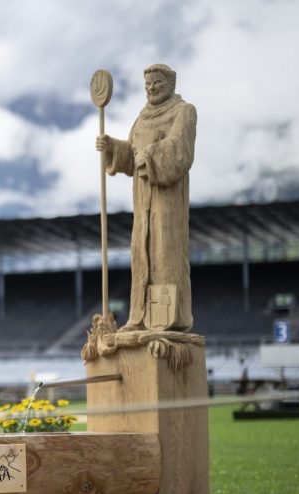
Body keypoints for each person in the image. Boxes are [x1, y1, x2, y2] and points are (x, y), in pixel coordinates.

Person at [96, 64, 196, 332]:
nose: (151, 88)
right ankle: (139, 317)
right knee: (141, 254)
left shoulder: (183, 111)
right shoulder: (142, 117)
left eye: (157, 83)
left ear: (171, 85)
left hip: (166, 203)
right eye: (148, 84)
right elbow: (130, 155)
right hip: (142, 203)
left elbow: (181, 151)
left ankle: (170, 319)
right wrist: (111, 148)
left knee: (165, 254)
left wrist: (150, 156)